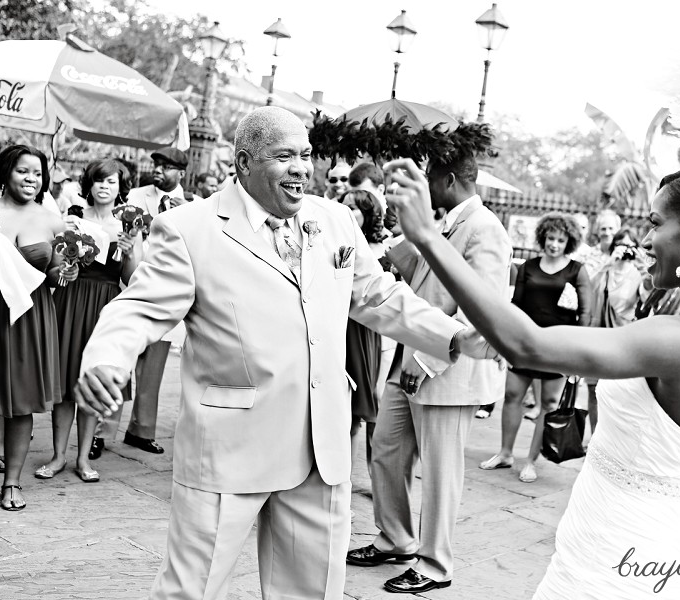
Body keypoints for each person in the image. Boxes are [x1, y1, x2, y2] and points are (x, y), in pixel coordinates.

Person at [73, 106, 495, 600]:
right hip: (231, 448)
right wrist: (105, 358)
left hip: (323, 446)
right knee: (193, 591)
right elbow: (138, 308)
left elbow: (377, 295)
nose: (301, 168)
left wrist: (451, 336)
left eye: (306, 155)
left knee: (312, 592)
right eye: (284, 156)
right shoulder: (190, 228)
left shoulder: (333, 220)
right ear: (244, 163)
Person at [385, 157, 680, 599]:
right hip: (654, 537)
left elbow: (528, 346)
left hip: (616, 553)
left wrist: (428, 238)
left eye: (656, 223)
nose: (645, 240)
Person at [347, 150, 512, 594]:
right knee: (384, 450)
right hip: (408, 361)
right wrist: (404, 227)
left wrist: (426, 361)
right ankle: (396, 538)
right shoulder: (442, 221)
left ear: (450, 179)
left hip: (447, 370)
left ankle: (436, 564)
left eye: (429, 178)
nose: (424, 185)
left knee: (439, 474)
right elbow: (417, 278)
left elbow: (482, 309)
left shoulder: (484, 229)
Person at [0, 144, 73, 511]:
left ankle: (12, 483)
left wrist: (66, 272)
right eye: (24, 171)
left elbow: (53, 275)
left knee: (22, 403)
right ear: (6, 172)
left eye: (38, 173)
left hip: (30, 315)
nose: (31, 179)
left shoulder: (53, 220)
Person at [34, 158, 143, 483]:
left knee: (93, 381)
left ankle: (83, 459)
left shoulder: (128, 227)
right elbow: (58, 269)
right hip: (71, 300)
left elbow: (133, 278)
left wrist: (130, 250)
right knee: (66, 383)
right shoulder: (73, 221)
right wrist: (68, 267)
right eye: (99, 180)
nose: (105, 186)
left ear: (120, 187)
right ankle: (58, 456)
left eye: (111, 181)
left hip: (104, 308)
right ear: (89, 185)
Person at [479, 212, 591, 483]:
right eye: (550, 238)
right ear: (543, 237)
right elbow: (515, 307)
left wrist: (577, 354)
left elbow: (586, 315)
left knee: (548, 404)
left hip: (557, 347)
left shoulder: (577, 270)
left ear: (569, 242)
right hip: (525, 344)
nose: (554, 244)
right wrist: (507, 343)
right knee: (513, 395)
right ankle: (505, 453)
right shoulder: (528, 266)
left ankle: (530, 461)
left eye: (560, 240)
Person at [120, 146, 189, 456]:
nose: (159, 169)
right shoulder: (135, 196)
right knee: (120, 361)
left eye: (167, 166)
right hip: (132, 286)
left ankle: (140, 430)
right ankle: (100, 431)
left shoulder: (191, 206)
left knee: (154, 366)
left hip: (165, 294)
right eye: (156, 164)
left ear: (181, 173)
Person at [340, 189, 387, 475]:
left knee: (367, 406)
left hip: (367, 331)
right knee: (346, 411)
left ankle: (373, 477)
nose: (345, 212)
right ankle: (341, 482)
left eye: (353, 208)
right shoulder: (336, 242)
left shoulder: (382, 249)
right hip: (341, 327)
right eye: (343, 206)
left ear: (367, 215)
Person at [586, 228, 648, 431]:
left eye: (631, 246)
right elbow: (587, 290)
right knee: (594, 390)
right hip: (599, 337)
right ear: (614, 247)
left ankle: (610, 436)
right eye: (622, 245)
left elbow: (648, 301)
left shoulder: (638, 274)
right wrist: (608, 264)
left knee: (616, 394)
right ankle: (595, 436)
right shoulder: (606, 269)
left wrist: (642, 268)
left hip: (623, 341)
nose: (627, 251)